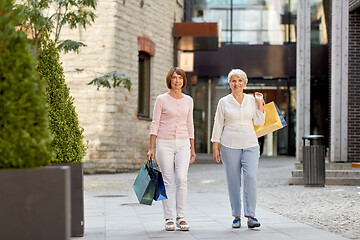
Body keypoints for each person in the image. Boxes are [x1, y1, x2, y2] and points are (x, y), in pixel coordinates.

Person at [211, 69, 265, 229]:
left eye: (240, 80)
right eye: (233, 81)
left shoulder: (251, 100)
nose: (237, 83)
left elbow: (260, 122)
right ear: (229, 83)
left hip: (250, 144)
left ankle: (251, 216)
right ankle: (236, 216)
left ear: (245, 83)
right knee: (233, 181)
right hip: (229, 145)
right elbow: (218, 123)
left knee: (250, 178)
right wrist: (215, 146)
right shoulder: (224, 101)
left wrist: (260, 103)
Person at [147, 67, 196, 231]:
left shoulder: (189, 100)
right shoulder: (161, 99)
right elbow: (155, 123)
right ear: (170, 80)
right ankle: (168, 218)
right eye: (174, 78)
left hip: (183, 143)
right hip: (164, 143)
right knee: (167, 181)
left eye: (180, 78)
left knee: (182, 179)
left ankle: (181, 217)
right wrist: (151, 147)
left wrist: (193, 147)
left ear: (183, 81)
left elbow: (190, 124)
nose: (177, 81)